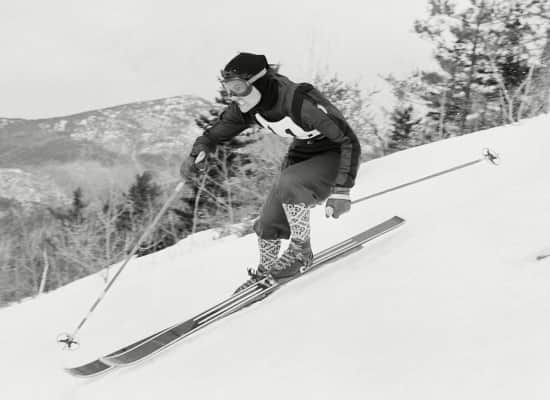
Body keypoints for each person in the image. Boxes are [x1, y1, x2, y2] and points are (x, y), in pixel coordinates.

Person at [180, 52, 361, 293]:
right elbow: (215, 134)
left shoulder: (298, 101)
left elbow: (348, 140)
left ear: (260, 81)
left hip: (335, 155)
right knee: (267, 220)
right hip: (303, 153)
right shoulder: (246, 107)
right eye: (228, 88)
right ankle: (266, 271)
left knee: (289, 182)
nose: (233, 96)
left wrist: (342, 190)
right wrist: (198, 151)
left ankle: (300, 251)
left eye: (238, 87)